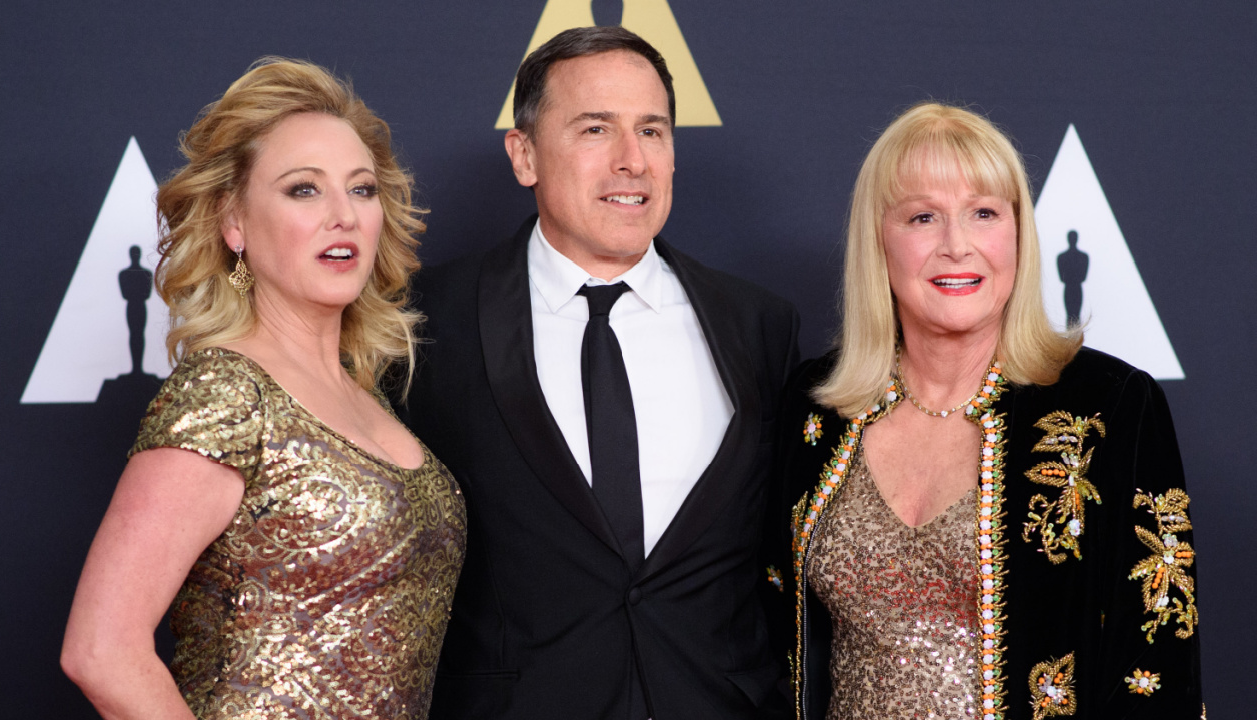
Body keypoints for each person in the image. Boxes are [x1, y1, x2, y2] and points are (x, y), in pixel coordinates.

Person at [395, 26, 799, 720]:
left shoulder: (758, 325)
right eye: (594, 129)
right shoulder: (422, 324)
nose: (631, 160)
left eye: (653, 131)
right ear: (524, 155)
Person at [765, 102, 1204, 719]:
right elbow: (766, 633)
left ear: (1019, 234)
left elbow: (1157, 659)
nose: (956, 245)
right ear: (878, 242)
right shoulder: (816, 408)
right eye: (923, 217)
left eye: (984, 213)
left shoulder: (1109, 405)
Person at [61, 58, 465, 720]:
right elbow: (101, 649)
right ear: (234, 223)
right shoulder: (224, 394)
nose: (343, 215)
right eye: (304, 190)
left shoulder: (369, 394)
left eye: (362, 190)